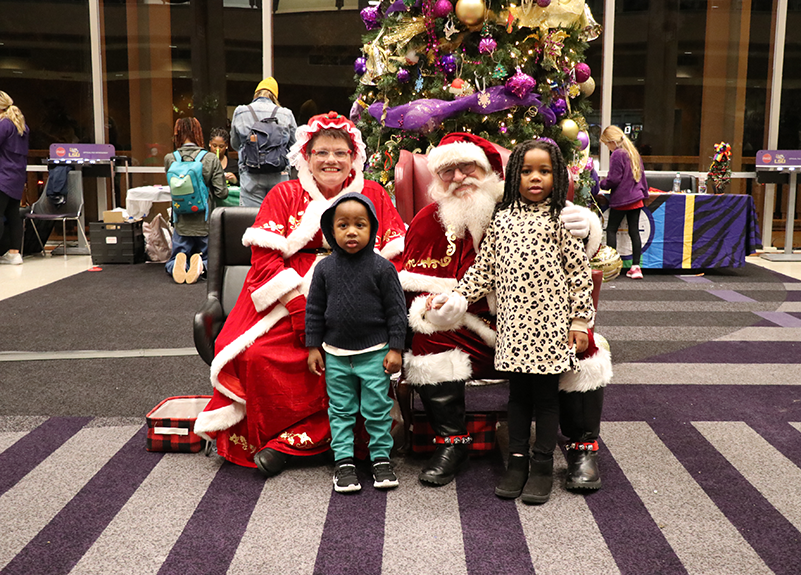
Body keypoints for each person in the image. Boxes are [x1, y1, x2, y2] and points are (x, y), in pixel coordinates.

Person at [193, 112, 406, 477]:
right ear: (305, 156)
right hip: (284, 300)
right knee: (259, 356)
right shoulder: (283, 194)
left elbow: (394, 258)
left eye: (341, 152)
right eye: (321, 152)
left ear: (354, 156)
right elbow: (264, 259)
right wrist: (296, 306)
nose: (331, 161)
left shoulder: (374, 194)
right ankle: (278, 440)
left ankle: (315, 445)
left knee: (353, 358)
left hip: (358, 303)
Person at [400, 133, 611, 490]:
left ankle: (581, 448)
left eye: (467, 167)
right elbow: (422, 285)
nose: (459, 177)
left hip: (543, 322)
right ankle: (452, 443)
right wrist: (438, 308)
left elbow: (578, 264)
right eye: (448, 170)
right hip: (469, 328)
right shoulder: (427, 221)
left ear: (490, 172)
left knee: (587, 349)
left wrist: (588, 226)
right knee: (427, 343)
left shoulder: (519, 204)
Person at [306, 192, 407, 493]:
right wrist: (313, 346)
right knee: (340, 411)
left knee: (377, 409)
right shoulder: (323, 269)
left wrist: (396, 348)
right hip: (335, 355)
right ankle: (345, 463)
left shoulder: (382, 268)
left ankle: (380, 460)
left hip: (374, 354)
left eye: (360, 225)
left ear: (372, 229)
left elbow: (396, 311)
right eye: (343, 225)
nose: (351, 231)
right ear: (331, 231)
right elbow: (313, 310)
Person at [163, 117, 228, 284]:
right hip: (204, 221)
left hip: (181, 220)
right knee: (213, 259)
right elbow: (222, 193)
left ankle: (179, 261)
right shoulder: (210, 159)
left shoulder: (171, 158)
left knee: (173, 258)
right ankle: (202, 265)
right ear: (198, 133)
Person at [229, 77, 297, 207]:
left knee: (252, 220)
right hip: (279, 176)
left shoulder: (241, 111)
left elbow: (235, 144)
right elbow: (294, 147)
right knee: (277, 220)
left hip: (250, 175)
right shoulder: (286, 114)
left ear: (256, 93)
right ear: (275, 96)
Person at [599, 125, 649, 279]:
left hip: (622, 199)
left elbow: (614, 179)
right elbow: (642, 176)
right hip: (637, 199)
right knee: (634, 231)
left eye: (606, 144)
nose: (607, 147)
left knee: (611, 229)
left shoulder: (617, 154)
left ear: (612, 141)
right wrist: (644, 194)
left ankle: (611, 266)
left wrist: (602, 184)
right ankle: (636, 267)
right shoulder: (633, 152)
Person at [0, 91, 29, 266]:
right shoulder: (21, 125)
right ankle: (14, 253)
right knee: (12, 215)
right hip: (16, 177)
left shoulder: (4, 125)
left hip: (2, 177)